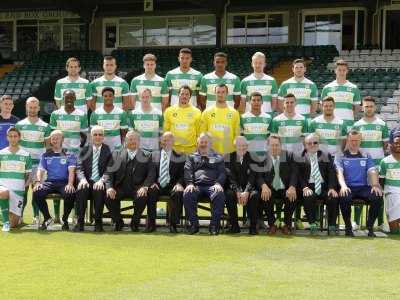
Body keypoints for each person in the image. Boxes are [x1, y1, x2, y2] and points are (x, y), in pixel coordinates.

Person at [104, 130, 156, 232]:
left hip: (138, 187)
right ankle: (118, 222)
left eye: (135, 139)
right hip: (120, 187)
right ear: (125, 141)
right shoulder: (116, 154)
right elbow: (108, 173)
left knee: (142, 196)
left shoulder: (147, 155)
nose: (132, 141)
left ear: (139, 141)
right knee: (108, 196)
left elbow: (151, 173)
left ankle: (135, 222)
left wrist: (145, 187)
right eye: (130, 139)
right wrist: (109, 187)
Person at [335, 129, 383, 237]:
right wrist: (343, 186)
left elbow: (372, 171)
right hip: (348, 187)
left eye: (357, 140)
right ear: (347, 140)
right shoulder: (340, 155)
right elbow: (339, 173)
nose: (354, 143)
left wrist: (375, 185)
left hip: (363, 187)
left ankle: (370, 227)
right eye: (352, 140)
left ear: (360, 140)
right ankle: (348, 228)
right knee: (344, 196)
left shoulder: (366, 155)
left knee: (377, 195)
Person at [353, 96, 389, 231]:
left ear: (375, 107)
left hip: (377, 163)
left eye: (371, 106)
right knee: (360, 191)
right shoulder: (357, 125)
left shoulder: (382, 124)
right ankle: (356, 221)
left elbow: (385, 144)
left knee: (378, 192)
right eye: (366, 106)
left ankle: (380, 222)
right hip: (361, 164)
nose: (368, 108)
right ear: (362, 107)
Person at [16, 97, 51, 225]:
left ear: (38, 108)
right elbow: (16, 145)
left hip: (38, 165)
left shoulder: (45, 126)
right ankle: (20, 216)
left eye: (35, 107)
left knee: (36, 190)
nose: (32, 109)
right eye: (30, 107)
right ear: (26, 107)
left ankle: (36, 216)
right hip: (24, 164)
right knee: (23, 191)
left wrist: (45, 165)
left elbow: (47, 148)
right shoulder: (19, 125)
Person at [183, 133, 226, 235]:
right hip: (196, 186)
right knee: (187, 194)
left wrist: (219, 184)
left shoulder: (218, 157)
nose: (203, 144)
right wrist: (189, 183)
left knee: (219, 195)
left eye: (205, 142)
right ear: (197, 144)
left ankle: (214, 226)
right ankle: (194, 225)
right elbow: (187, 170)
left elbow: (223, 173)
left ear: (210, 144)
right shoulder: (191, 157)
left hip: (212, 186)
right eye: (201, 142)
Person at [33, 130, 76, 231]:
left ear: (62, 139)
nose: (55, 140)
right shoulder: (46, 155)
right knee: (37, 192)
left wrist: (70, 184)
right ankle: (47, 218)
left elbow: (71, 171)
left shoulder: (69, 154)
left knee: (70, 193)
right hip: (50, 182)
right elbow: (40, 170)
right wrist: (38, 182)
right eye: (53, 138)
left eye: (57, 138)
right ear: (51, 140)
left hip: (64, 182)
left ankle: (64, 219)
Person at [254, 135, 297, 235]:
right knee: (265, 195)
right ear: (267, 146)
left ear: (281, 145)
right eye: (272, 145)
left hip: (285, 188)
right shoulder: (262, 158)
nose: (274, 147)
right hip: (270, 188)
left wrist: (292, 186)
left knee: (292, 196)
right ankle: (272, 224)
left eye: (277, 145)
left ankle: (287, 224)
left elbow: (295, 173)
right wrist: (263, 186)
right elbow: (259, 176)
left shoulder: (290, 156)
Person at [297, 134, 339, 235]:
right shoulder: (300, 157)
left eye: (315, 143)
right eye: (309, 143)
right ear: (305, 145)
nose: (312, 145)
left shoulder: (326, 155)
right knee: (308, 196)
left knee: (333, 197)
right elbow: (299, 175)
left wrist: (332, 188)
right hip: (309, 186)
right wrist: (305, 187)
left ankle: (332, 225)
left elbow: (331, 173)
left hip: (324, 187)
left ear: (318, 144)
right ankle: (312, 225)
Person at [75, 126, 112, 232]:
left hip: (100, 181)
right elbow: (79, 167)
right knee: (82, 189)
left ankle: (98, 223)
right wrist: (82, 179)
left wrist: (101, 181)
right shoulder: (84, 150)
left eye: (100, 135)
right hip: (86, 180)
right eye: (95, 134)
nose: (98, 137)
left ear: (103, 137)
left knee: (99, 190)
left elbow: (109, 170)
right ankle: (80, 222)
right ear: (91, 137)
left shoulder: (108, 150)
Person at [149, 132, 185, 233]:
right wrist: (153, 182)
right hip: (158, 184)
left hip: (172, 185)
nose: (165, 142)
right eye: (164, 140)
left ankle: (173, 224)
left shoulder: (180, 156)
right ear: (161, 141)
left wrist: (179, 184)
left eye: (168, 140)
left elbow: (182, 174)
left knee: (178, 193)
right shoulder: (154, 154)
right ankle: (151, 223)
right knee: (151, 191)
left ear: (173, 142)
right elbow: (151, 171)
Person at [224, 136, 259, 234]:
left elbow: (252, 177)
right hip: (235, 188)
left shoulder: (253, 157)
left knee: (255, 195)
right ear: (235, 146)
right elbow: (231, 178)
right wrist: (238, 191)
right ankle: (234, 226)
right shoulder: (228, 157)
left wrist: (247, 191)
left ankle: (253, 227)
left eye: (244, 146)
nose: (242, 148)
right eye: (239, 146)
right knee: (229, 194)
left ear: (247, 146)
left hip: (249, 188)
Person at [0, 128, 32, 232]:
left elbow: (29, 175)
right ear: (7, 138)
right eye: (10, 136)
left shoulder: (26, 155)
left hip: (18, 190)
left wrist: (25, 187)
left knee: (14, 223)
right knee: (4, 192)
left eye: (15, 136)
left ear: (19, 138)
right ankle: (5, 223)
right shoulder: (1, 153)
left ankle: (4, 215)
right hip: (3, 186)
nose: (13, 138)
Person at [321, 59, 361, 132]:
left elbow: (357, 107)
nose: (341, 72)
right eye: (339, 70)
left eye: (344, 70)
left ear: (347, 71)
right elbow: (322, 106)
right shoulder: (327, 88)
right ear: (335, 71)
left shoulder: (354, 88)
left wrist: (349, 116)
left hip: (348, 123)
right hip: (331, 123)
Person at [200, 84, 240, 155]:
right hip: (211, 151)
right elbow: (203, 134)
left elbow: (237, 135)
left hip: (229, 151)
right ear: (215, 94)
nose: (220, 94)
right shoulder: (206, 112)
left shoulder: (234, 113)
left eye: (223, 92)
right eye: (218, 92)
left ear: (227, 94)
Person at [163, 85, 201, 154]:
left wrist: (198, 149)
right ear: (178, 95)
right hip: (174, 149)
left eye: (187, 94)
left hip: (191, 150)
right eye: (182, 94)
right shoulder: (169, 111)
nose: (184, 96)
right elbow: (166, 131)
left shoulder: (197, 112)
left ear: (190, 96)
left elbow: (199, 133)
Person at [49, 90, 88, 155]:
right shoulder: (55, 114)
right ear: (63, 99)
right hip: (60, 151)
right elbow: (52, 134)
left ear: (75, 98)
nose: (69, 100)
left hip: (75, 151)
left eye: (71, 97)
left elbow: (84, 135)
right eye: (66, 97)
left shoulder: (82, 115)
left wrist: (80, 148)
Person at [90, 87, 129, 152]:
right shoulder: (95, 113)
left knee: (116, 162)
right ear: (102, 98)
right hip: (101, 146)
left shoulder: (121, 113)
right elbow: (93, 134)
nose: (108, 98)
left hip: (117, 146)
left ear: (114, 97)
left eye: (110, 96)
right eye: (105, 96)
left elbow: (124, 133)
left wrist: (123, 146)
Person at [379, 131, 400, 234]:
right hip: (391, 193)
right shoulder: (385, 161)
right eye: (396, 142)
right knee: (394, 230)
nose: (398, 145)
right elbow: (381, 181)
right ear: (391, 144)